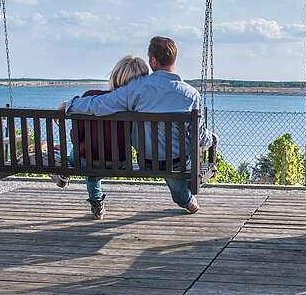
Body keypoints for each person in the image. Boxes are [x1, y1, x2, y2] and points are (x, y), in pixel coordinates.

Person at [64, 36, 216, 219]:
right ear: (174, 59)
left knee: (164, 158)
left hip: (147, 160)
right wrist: (213, 139)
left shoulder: (135, 89)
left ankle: (187, 200)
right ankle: (187, 201)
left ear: (153, 61)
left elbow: (99, 105)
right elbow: (199, 136)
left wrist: (70, 105)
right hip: (177, 161)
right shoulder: (191, 94)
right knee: (179, 162)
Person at [52, 55, 150, 219]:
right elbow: (136, 140)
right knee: (94, 158)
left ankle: (94, 201)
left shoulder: (90, 96)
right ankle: (71, 177)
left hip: (85, 159)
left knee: (86, 156)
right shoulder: (137, 107)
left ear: (115, 75)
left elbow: (76, 138)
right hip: (120, 162)